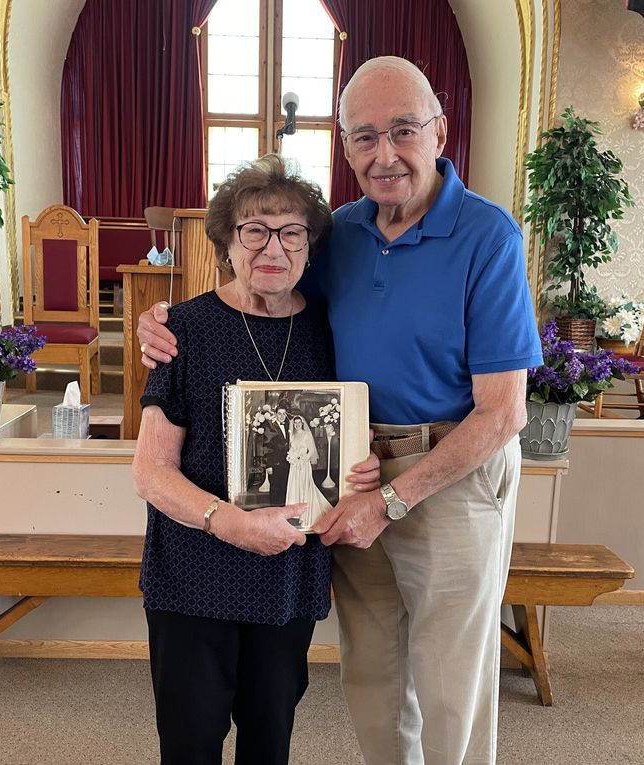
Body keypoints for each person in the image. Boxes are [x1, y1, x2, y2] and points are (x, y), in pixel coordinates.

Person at [138, 56, 541, 764]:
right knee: (373, 672)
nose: (385, 154)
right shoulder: (343, 234)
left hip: (446, 474)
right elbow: (264, 280)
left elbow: (504, 412)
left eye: (403, 131)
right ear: (346, 146)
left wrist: (390, 500)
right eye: (364, 136)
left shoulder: (489, 237)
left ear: (439, 132)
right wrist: (163, 321)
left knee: (452, 683)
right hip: (350, 474)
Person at [130, 153, 379, 765]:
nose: (274, 246)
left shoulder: (331, 329)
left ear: (309, 245)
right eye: (255, 229)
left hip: (286, 573)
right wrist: (229, 522)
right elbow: (151, 471)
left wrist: (360, 469)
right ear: (228, 242)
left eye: (292, 231)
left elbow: (345, 433)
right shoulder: (181, 329)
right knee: (190, 745)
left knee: (270, 740)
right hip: (193, 571)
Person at [284, 413, 332, 530]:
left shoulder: (307, 434)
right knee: (295, 486)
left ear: (302, 423)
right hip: (295, 466)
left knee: (305, 486)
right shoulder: (293, 436)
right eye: (295, 423)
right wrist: (293, 457)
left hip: (304, 465)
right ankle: (295, 511)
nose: (297, 425)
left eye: (299, 423)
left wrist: (303, 459)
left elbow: (311, 451)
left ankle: (305, 511)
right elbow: (291, 450)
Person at [263, 403, 291, 505]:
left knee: (284, 487)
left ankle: (283, 510)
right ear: (275, 414)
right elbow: (267, 446)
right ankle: (274, 510)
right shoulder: (270, 426)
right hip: (275, 464)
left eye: (284, 414)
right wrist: (268, 465)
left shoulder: (289, 425)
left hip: (287, 463)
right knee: (275, 488)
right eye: (279, 413)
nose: (282, 416)